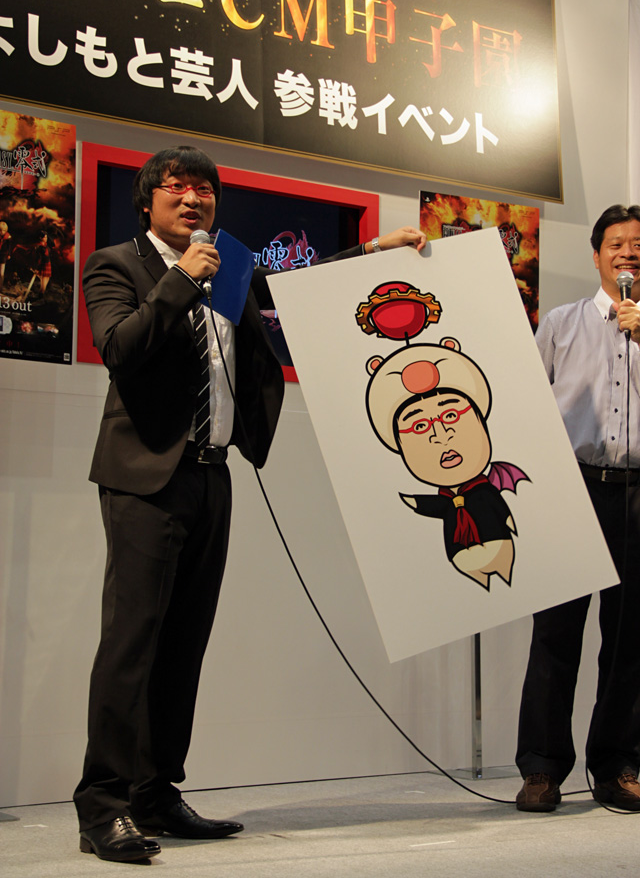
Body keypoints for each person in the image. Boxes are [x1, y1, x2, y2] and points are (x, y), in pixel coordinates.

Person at [74, 144, 426, 863]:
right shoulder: (116, 265)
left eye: (204, 189)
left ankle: (155, 793)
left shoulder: (228, 265)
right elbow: (120, 348)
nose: (193, 199)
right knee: (131, 644)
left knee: (184, 644)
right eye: (177, 187)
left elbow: (296, 288)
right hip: (144, 479)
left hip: (213, 474)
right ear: (147, 201)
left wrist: (373, 250)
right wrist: (181, 280)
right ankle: (102, 805)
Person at [515, 204, 640, 814]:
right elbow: (526, 405)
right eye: (615, 243)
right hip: (571, 488)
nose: (626, 254)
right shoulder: (560, 324)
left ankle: (617, 769)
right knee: (555, 635)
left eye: (639, 244)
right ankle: (541, 770)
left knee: (630, 639)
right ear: (596, 256)